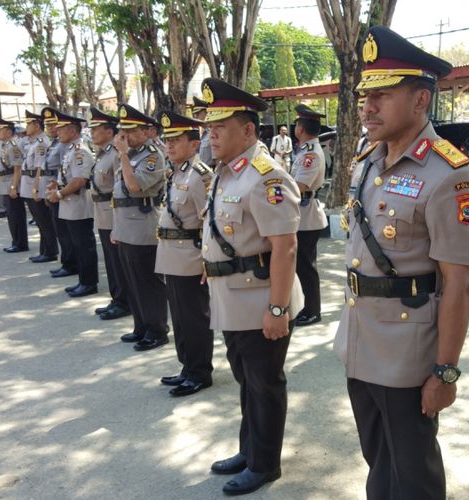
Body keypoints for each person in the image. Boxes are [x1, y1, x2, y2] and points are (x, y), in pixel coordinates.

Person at [335, 26, 469, 500]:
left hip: (408, 355)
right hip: (360, 339)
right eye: (365, 95)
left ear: (421, 100)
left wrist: (445, 372)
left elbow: (458, 284)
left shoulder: (449, 175)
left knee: (413, 473)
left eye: (382, 95)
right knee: (377, 458)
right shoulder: (368, 162)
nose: (368, 106)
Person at [199, 77, 304, 496]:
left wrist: (278, 309)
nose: (211, 134)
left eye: (219, 127)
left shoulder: (266, 176)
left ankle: (265, 463)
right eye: (209, 127)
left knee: (264, 382)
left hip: (261, 300)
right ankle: (249, 449)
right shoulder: (229, 172)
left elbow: (286, 248)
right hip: (232, 299)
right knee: (246, 380)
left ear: (247, 130)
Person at [154, 109, 214, 397]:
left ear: (194, 144)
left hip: (190, 258)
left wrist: (207, 259)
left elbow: (209, 221)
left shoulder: (200, 175)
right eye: (168, 140)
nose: (170, 145)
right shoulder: (178, 172)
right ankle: (187, 366)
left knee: (194, 318)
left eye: (176, 140)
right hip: (171, 256)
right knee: (179, 317)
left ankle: (200, 372)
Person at [111, 103, 169, 351]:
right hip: (126, 226)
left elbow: (135, 187)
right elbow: (118, 195)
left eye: (131, 131)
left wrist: (123, 155)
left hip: (143, 227)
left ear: (146, 132)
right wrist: (115, 228)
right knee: (132, 280)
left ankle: (157, 329)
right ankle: (141, 326)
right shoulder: (131, 156)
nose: (125, 137)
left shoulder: (153, 156)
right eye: (123, 131)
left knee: (147, 282)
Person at [45, 110, 98, 298]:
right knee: (77, 245)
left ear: (73, 131)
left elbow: (79, 181)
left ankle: (89, 282)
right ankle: (83, 280)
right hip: (70, 204)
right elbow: (69, 177)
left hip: (79, 205)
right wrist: (56, 185)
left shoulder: (80, 151)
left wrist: (59, 193)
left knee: (84, 245)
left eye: (61, 129)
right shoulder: (70, 150)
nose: (57, 132)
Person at [87, 107, 130, 320]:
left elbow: (119, 189)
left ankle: (124, 301)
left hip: (113, 213)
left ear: (109, 131)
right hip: (102, 213)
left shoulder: (115, 155)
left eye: (96, 129)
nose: (92, 133)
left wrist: (118, 221)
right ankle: (116, 298)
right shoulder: (102, 153)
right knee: (111, 262)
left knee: (118, 262)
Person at [290, 104, 328, 327]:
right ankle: (305, 307)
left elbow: (300, 185)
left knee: (306, 267)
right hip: (301, 215)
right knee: (300, 265)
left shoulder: (311, 154)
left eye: (297, 123)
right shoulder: (305, 150)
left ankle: (313, 310)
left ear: (301, 128)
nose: (295, 127)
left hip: (307, 216)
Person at [40, 107, 77, 278]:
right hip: (54, 186)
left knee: (64, 231)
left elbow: (63, 171)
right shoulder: (55, 143)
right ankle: (66, 262)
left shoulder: (65, 146)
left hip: (62, 189)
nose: (52, 129)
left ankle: (69, 263)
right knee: (60, 229)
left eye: (56, 126)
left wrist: (57, 191)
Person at [21, 110, 58, 263]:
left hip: (36, 184)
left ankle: (50, 252)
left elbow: (39, 168)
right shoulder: (35, 142)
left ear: (36, 125)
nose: (26, 127)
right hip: (30, 183)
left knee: (44, 221)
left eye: (29, 124)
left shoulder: (42, 143)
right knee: (40, 221)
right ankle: (44, 250)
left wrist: (35, 189)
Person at [0, 118, 28, 252]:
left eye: (0, 130)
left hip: (11, 183)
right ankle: (16, 241)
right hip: (5, 182)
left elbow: (17, 168)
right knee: (12, 215)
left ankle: (20, 243)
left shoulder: (13, 146)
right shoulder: (6, 145)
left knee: (16, 215)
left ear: (8, 132)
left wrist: (14, 187)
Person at [192, 96, 214, 167]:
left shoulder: (213, 133)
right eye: (194, 115)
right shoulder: (204, 134)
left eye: (198, 114)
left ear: (206, 112)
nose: (195, 118)